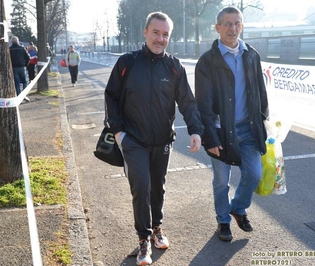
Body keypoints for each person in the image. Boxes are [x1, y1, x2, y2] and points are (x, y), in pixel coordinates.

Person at [104, 11, 203, 265]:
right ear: (145, 32)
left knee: (157, 187)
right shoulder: (127, 63)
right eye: (156, 32)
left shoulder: (174, 66)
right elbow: (111, 97)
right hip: (133, 140)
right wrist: (118, 133)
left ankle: (157, 228)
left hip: (162, 140)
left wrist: (195, 130)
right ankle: (143, 240)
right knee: (141, 186)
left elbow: (187, 102)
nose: (160, 38)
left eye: (165, 34)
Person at [194, 6, 269, 242]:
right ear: (217, 28)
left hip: (248, 129)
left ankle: (237, 207)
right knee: (221, 182)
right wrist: (210, 138)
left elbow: (260, 92)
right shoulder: (207, 61)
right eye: (227, 24)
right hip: (220, 130)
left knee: (254, 174)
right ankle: (223, 221)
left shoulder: (252, 55)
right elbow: (203, 105)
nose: (232, 28)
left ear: (242, 26)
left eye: (237, 23)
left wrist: (263, 121)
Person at [9, 36, 30, 102]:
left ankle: (19, 96)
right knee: (24, 81)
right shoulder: (22, 48)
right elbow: (28, 58)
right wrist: (25, 65)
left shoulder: (9, 49)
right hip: (22, 66)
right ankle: (24, 95)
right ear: (18, 41)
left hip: (14, 67)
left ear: (11, 42)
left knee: (17, 82)